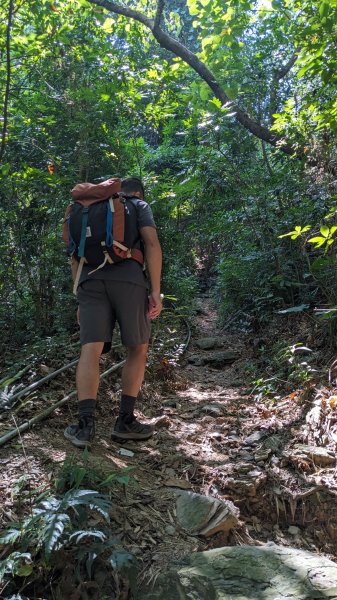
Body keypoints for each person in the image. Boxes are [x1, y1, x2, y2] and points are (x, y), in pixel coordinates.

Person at [64, 176, 162, 449]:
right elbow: (152, 245)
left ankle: (85, 426)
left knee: (90, 350)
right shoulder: (139, 205)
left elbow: (75, 255)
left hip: (89, 280)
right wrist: (155, 290)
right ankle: (125, 421)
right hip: (129, 279)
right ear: (139, 191)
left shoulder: (83, 210)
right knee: (137, 348)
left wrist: (79, 297)